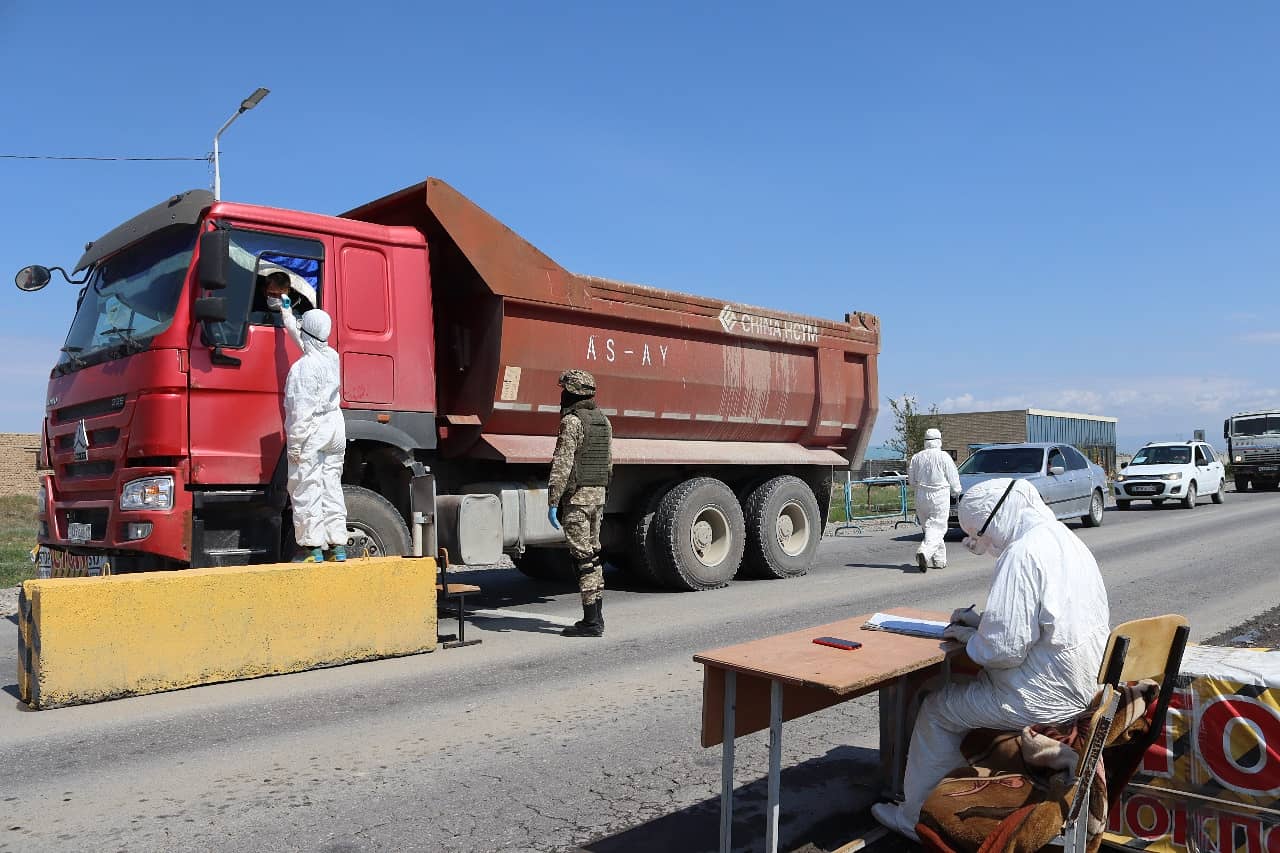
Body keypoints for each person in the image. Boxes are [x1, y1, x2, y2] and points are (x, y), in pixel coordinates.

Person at [870, 478, 1111, 841]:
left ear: (997, 517)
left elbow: (1003, 650)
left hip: (1043, 696)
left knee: (937, 708)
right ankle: (954, 789)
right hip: (1084, 686)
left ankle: (920, 815)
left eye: (978, 536)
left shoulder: (1021, 553)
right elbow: (1043, 622)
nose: (982, 546)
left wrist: (969, 636)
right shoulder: (1066, 540)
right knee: (958, 692)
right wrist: (982, 623)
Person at [546, 369, 613, 637]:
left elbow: (562, 464)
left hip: (577, 499)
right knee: (594, 557)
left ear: (571, 393)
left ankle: (591, 622)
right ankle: (597, 616)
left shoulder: (572, 422)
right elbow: (608, 464)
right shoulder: (603, 421)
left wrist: (553, 499)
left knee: (583, 559)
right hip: (597, 496)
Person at [282, 308, 348, 563]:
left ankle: (312, 549)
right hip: (335, 429)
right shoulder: (331, 356)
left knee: (305, 486)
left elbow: (300, 412)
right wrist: (287, 314)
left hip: (313, 431)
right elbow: (307, 341)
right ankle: (337, 547)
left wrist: (295, 447)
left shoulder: (303, 368)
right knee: (331, 486)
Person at [907, 427, 961, 570]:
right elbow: (953, 476)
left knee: (930, 529)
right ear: (939, 441)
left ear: (925, 441)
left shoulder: (916, 457)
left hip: (921, 495)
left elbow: (911, 481)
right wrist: (956, 490)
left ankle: (939, 561)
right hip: (939, 495)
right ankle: (924, 552)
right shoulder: (944, 456)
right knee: (937, 527)